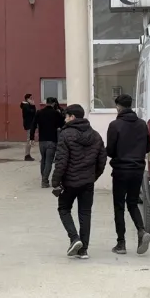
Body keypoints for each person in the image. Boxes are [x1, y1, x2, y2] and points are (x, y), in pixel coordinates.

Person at [51, 104, 107, 259]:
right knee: (85, 213)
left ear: (72, 117)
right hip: (87, 182)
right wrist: (93, 177)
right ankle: (84, 250)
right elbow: (102, 160)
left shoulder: (65, 134)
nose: (65, 118)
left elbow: (61, 162)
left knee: (63, 209)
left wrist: (55, 182)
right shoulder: (95, 135)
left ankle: (74, 238)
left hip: (69, 182)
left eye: (66, 116)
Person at [106, 94, 150, 255]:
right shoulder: (142, 124)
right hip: (137, 170)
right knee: (132, 203)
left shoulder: (115, 125)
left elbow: (110, 151)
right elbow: (147, 148)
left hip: (120, 171)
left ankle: (121, 244)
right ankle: (141, 231)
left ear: (118, 106)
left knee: (119, 206)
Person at [30, 97, 65, 188]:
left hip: (42, 141)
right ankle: (44, 181)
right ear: (53, 103)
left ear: (46, 103)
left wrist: (31, 138)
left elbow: (33, 125)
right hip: (52, 140)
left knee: (43, 160)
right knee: (49, 161)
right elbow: (62, 124)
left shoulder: (39, 113)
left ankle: (44, 179)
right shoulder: (56, 113)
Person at [20, 94, 36, 161]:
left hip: (29, 124)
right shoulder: (26, 106)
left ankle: (28, 154)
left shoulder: (26, 105)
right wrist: (33, 105)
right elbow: (32, 112)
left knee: (29, 139)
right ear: (27, 99)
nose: (32, 99)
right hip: (29, 124)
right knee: (29, 139)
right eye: (31, 98)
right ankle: (27, 155)